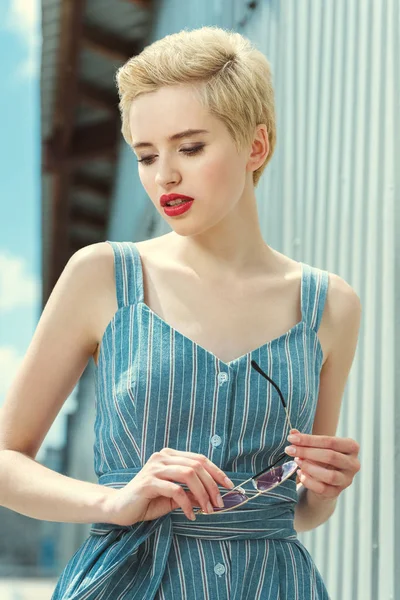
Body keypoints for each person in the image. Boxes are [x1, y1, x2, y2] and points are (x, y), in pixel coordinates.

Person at [0, 25, 361, 599]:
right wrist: (112, 502)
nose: (164, 175)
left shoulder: (329, 306)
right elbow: (5, 460)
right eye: (146, 155)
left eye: (189, 148)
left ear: (256, 146)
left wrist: (324, 490)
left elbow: (298, 512)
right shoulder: (103, 276)